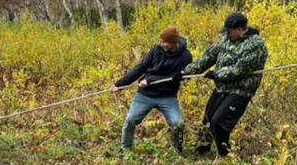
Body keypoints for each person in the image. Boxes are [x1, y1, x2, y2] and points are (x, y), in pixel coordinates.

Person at [177, 12, 268, 156]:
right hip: (222, 87)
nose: (227, 34)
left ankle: (224, 153)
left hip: (241, 90)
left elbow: (240, 70)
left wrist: (216, 74)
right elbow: (208, 57)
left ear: (239, 29)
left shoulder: (256, 45)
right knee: (207, 119)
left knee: (219, 121)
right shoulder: (225, 40)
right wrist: (186, 72)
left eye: (230, 31)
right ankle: (203, 150)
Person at [111, 26, 193, 154]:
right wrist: (120, 84)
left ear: (173, 43)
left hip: (168, 96)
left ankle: (177, 150)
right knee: (130, 120)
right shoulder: (156, 50)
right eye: (161, 41)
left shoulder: (185, 57)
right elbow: (141, 68)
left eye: (165, 42)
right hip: (145, 95)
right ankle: (125, 149)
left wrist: (149, 79)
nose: (162, 44)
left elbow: (175, 77)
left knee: (178, 123)